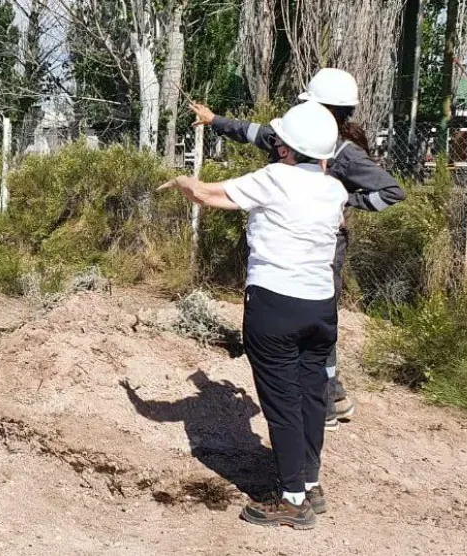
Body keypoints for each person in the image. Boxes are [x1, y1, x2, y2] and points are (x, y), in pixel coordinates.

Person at [159, 101, 347, 529]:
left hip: (275, 306)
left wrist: (186, 182)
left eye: (278, 139)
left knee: (281, 403)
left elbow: (210, 195)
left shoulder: (273, 179)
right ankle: (310, 483)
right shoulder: (334, 188)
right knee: (311, 396)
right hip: (321, 307)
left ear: (285, 149)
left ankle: (292, 499)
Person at [190, 68, 406, 431]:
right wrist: (214, 120)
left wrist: (341, 201)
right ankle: (333, 396)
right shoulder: (292, 136)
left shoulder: (344, 153)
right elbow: (251, 131)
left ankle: (325, 406)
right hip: (287, 246)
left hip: (322, 248)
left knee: (318, 322)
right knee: (310, 321)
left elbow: (390, 193)